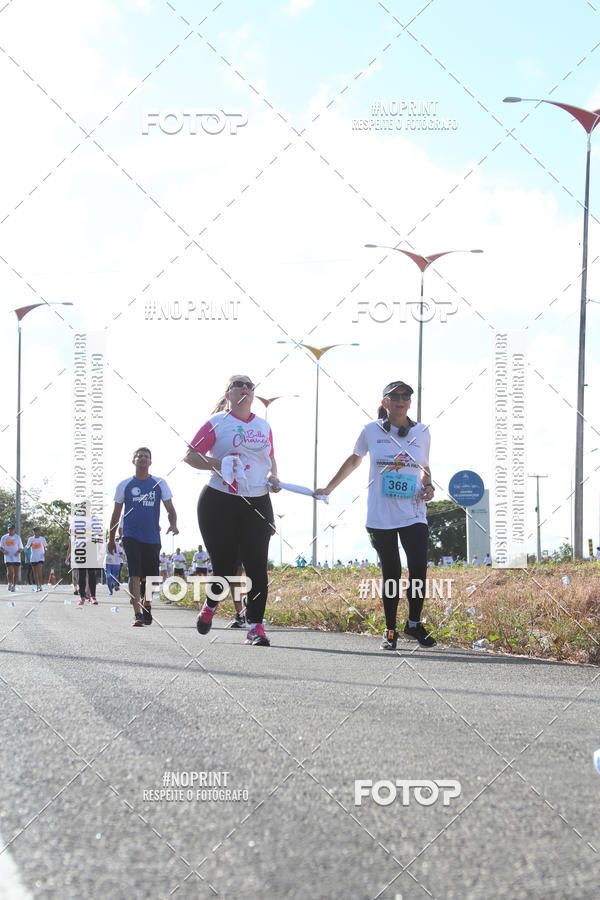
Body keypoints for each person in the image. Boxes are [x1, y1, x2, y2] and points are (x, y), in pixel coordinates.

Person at [316, 380, 436, 649]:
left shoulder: (422, 432)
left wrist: (428, 486)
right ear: (385, 403)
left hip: (414, 512)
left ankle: (413, 624)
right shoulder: (371, 430)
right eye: (395, 396)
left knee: (418, 567)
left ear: (410, 402)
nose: (401, 400)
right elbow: (354, 460)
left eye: (406, 396)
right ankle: (390, 629)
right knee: (391, 572)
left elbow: (425, 467)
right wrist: (330, 488)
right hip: (381, 516)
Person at [184, 374, 280, 646]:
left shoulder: (263, 426)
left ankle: (256, 627)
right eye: (239, 384)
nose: (246, 388)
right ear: (228, 394)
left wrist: (273, 476)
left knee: (257, 568)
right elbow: (190, 456)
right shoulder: (217, 422)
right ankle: (210, 606)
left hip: (257, 501)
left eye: (250, 386)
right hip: (219, 501)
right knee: (226, 569)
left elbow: (270, 459)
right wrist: (220, 463)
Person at [108, 447, 178, 627]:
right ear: (134, 461)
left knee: (151, 576)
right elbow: (116, 514)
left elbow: (170, 509)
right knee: (135, 573)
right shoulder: (124, 485)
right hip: (130, 534)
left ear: (150, 462)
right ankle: (137, 613)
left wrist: (173, 524)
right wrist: (111, 539)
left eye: (146, 456)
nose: (142, 458)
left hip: (152, 536)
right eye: (139, 456)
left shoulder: (159, 483)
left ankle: (147, 604)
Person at [1, 524, 24, 592]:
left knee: (16, 573)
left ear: (14, 530)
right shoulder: (4, 537)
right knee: (10, 571)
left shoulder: (17, 537)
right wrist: (4, 551)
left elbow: (21, 548)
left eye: (12, 529)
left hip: (16, 557)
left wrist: (18, 552)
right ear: (8, 530)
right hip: (8, 557)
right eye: (9, 529)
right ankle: (9, 583)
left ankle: (14, 586)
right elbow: (1, 547)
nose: (10, 530)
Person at [26, 526, 48, 592]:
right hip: (33, 558)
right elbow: (27, 548)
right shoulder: (31, 539)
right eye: (35, 531)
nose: (36, 532)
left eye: (37, 531)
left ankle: (40, 585)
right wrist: (30, 545)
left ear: (39, 531)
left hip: (40, 557)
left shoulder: (42, 539)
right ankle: (37, 585)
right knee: (35, 573)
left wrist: (45, 551)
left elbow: (46, 546)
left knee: (39, 572)